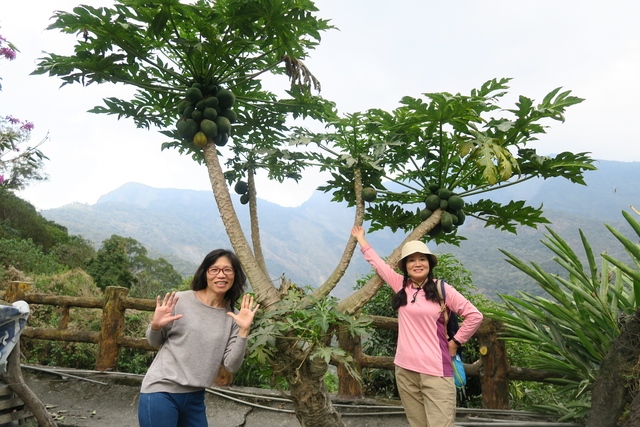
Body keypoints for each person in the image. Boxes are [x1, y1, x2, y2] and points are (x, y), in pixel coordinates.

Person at [351, 226, 483, 427]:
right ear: (405, 266)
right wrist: (361, 240)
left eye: (422, 259)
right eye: (411, 260)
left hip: (436, 372)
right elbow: (379, 265)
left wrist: (456, 342)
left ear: (429, 263)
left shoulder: (442, 289)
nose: (417, 264)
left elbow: (475, 316)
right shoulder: (401, 286)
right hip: (405, 370)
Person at [138, 248, 259, 427]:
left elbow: (231, 365)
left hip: (195, 397)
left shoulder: (233, 316)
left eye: (227, 270)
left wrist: (243, 331)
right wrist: (155, 326)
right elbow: (154, 342)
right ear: (205, 273)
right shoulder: (180, 301)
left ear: (235, 275)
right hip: (161, 390)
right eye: (214, 269)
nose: (221, 275)